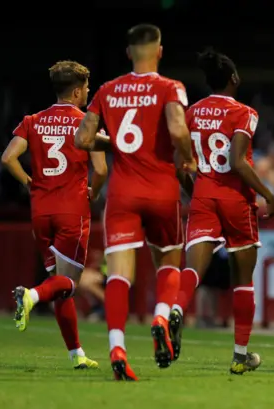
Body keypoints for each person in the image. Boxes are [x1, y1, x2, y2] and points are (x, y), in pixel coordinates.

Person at [75, 24, 196, 380]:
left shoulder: (108, 89)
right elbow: (176, 129)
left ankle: (117, 347)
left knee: (119, 275)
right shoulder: (170, 87)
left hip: (123, 192)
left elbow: (83, 138)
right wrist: (186, 158)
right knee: (170, 259)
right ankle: (161, 315)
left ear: (128, 53)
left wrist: (117, 145)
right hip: (162, 191)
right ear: (159, 51)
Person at [168, 48, 274, 374]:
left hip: (203, 196)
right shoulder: (245, 113)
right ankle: (240, 356)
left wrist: (196, 191)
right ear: (233, 78)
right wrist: (269, 196)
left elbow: (179, 166)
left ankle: (175, 310)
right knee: (242, 280)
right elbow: (237, 162)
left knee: (193, 270)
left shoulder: (192, 113)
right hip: (235, 200)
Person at [1, 61, 107, 370]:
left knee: (59, 284)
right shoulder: (87, 123)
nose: (87, 92)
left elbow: (8, 157)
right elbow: (100, 169)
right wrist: (95, 191)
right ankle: (31, 296)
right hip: (71, 210)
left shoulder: (33, 120)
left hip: (40, 212)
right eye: (86, 88)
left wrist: (28, 181)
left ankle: (77, 355)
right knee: (68, 283)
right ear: (77, 91)